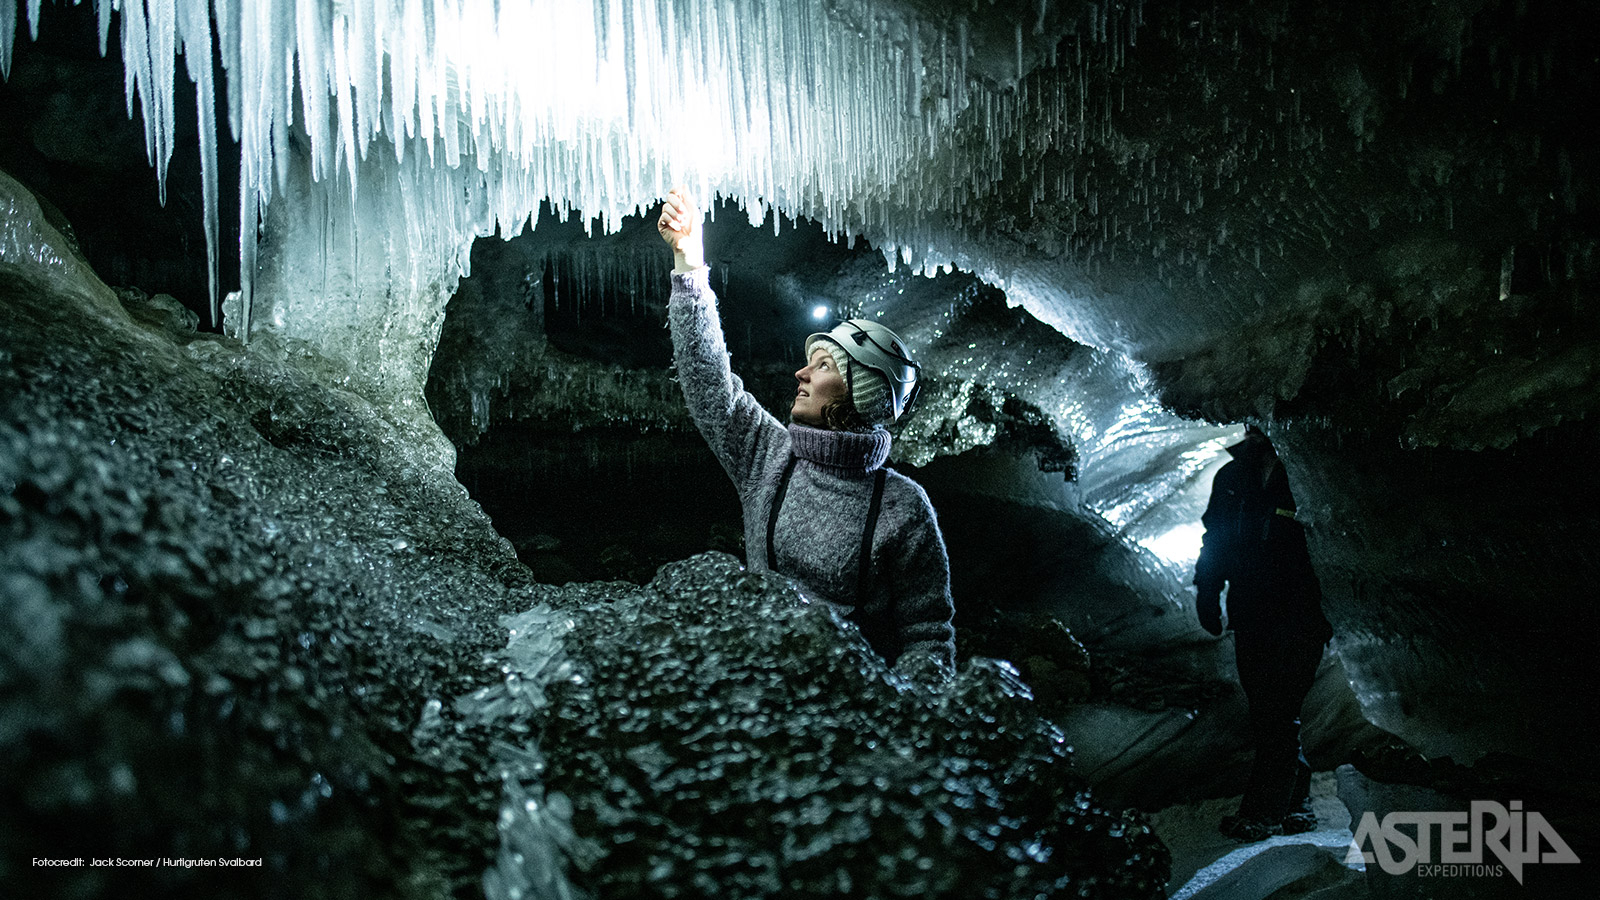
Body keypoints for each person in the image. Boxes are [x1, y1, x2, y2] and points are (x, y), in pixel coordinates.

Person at [657, 187, 955, 672]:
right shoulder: (770, 458)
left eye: (821, 366)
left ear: (861, 393)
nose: (801, 374)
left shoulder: (903, 509)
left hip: (847, 715)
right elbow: (710, 387)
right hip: (757, 692)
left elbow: (927, 634)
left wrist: (902, 722)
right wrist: (689, 267)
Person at [1194, 425, 1333, 841]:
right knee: (1269, 712)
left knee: (1277, 709)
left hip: (1301, 614)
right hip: (1251, 610)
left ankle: (1263, 812)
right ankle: (1295, 801)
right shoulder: (1232, 476)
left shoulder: (1311, 470)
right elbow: (1214, 538)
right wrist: (1208, 590)